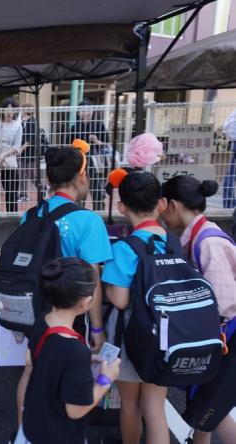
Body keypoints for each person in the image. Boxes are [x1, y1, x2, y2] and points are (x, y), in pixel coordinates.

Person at [16, 142, 113, 425]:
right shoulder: (88, 221)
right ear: (82, 177)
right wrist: (96, 328)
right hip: (70, 312)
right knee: (70, 371)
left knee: (31, 370)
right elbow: (90, 281)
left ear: (49, 180)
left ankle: (24, 432)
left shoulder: (31, 215)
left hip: (35, 308)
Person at [161, 175, 236, 444]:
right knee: (202, 406)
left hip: (226, 338)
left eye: (162, 206)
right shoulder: (200, 236)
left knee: (210, 407)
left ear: (172, 204)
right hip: (221, 337)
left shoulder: (207, 243)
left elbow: (224, 303)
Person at [103, 170, 171, 444]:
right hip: (167, 333)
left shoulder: (125, 248)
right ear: (162, 204)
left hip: (132, 335)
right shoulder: (173, 242)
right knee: (155, 408)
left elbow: (119, 300)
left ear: (121, 206)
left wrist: (106, 285)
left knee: (129, 404)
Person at [21, 258, 121, 444]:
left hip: (34, 425)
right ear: (86, 303)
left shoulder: (43, 321)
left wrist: (79, 365)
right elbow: (75, 410)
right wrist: (105, 380)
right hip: (59, 435)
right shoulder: (75, 351)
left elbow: (30, 359)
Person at [69, 99, 109, 211]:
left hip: (96, 163)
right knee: (80, 189)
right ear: (78, 112)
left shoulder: (99, 125)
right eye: (82, 111)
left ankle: (99, 212)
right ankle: (79, 212)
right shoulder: (74, 127)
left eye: (88, 110)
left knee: (96, 189)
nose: (86, 113)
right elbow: (68, 145)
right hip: (80, 163)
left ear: (93, 111)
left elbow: (107, 144)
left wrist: (97, 141)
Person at [18, 104, 48, 202]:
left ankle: (43, 188)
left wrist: (20, 149)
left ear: (26, 111)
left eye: (22, 110)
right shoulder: (23, 122)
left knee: (30, 174)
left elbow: (29, 140)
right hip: (23, 154)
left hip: (30, 153)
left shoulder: (33, 122)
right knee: (22, 173)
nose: (20, 112)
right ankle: (23, 195)